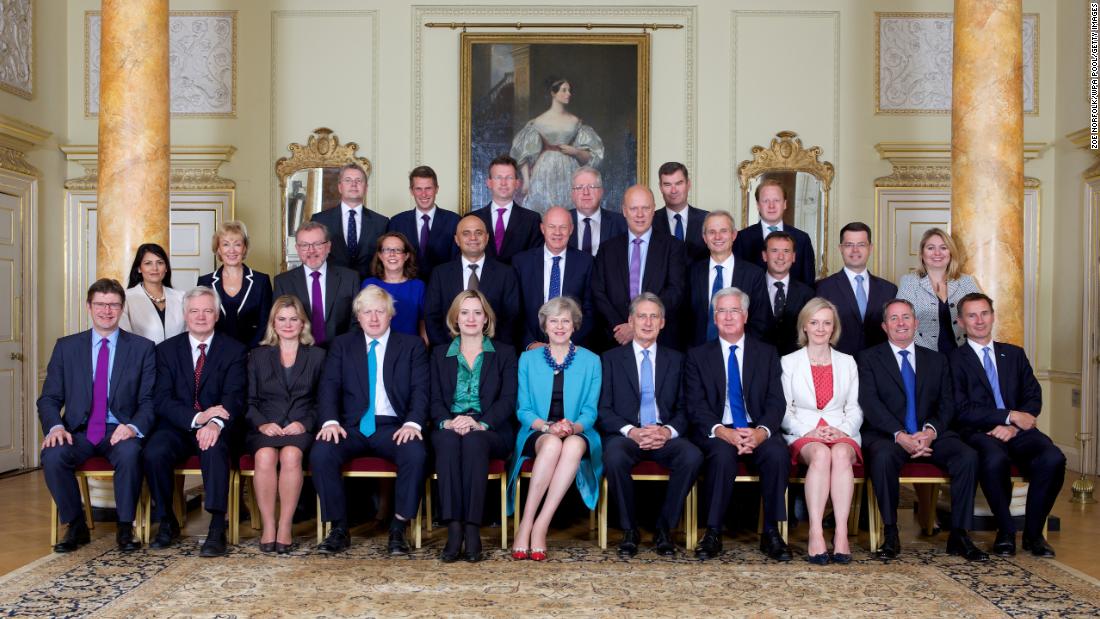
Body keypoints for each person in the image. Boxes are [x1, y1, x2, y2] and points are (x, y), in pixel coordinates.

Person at [857, 298, 988, 562]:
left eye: (906, 317)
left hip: (931, 434)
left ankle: (959, 534)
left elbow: (947, 403)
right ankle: (891, 532)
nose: (901, 323)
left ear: (916, 323)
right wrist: (899, 434)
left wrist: (930, 431)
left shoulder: (937, 360)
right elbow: (870, 403)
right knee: (882, 458)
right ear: (884, 326)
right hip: (888, 435)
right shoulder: (868, 358)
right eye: (894, 318)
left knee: (967, 456)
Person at [38, 278, 156, 553]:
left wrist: (133, 426)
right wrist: (55, 427)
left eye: (113, 304)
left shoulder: (142, 348)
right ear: (89, 307)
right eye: (100, 304)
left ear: (122, 308)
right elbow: (49, 398)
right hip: (77, 430)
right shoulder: (67, 347)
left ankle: (125, 528)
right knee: (53, 455)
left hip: (119, 429)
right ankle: (75, 524)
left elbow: (149, 401)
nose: (107, 310)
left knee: (129, 454)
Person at [311, 285, 428, 555]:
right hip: (350, 427)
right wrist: (329, 421)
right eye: (367, 312)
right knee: (321, 453)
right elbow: (328, 387)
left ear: (391, 315)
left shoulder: (411, 346)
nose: (373, 318)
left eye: (379, 312)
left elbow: (422, 390)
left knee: (416, 453)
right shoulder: (342, 345)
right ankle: (339, 528)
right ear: (358, 317)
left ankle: (398, 528)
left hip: (393, 427)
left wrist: (412, 423)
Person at [948, 293, 1065, 558]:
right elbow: (961, 410)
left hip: (1018, 432)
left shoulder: (1013, 354)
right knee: (993, 460)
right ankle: (1006, 531)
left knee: (1053, 458)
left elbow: (1033, 396)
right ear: (961, 322)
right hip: (980, 433)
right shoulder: (954, 360)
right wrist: (1008, 416)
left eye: (984, 313)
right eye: (972, 315)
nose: (979, 321)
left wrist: (1013, 426)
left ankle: (1034, 535)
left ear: (992, 315)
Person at [684, 287, 791, 561]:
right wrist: (723, 432)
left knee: (778, 453)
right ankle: (713, 531)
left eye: (734, 311)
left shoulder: (766, 353)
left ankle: (771, 531)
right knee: (720, 456)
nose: (728, 317)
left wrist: (761, 432)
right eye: (722, 311)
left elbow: (776, 401)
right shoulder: (697, 356)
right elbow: (696, 406)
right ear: (714, 317)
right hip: (718, 429)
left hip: (757, 426)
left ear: (745, 315)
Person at [144, 286, 248, 557]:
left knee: (214, 449)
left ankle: (216, 526)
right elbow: (161, 399)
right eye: (194, 311)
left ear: (216, 315)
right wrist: (197, 418)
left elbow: (235, 397)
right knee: (155, 451)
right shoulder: (166, 351)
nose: (201, 316)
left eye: (207, 311)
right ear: (185, 315)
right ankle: (167, 520)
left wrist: (213, 423)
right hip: (179, 426)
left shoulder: (234, 350)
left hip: (219, 427)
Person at [598, 293, 702, 557]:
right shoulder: (610, 359)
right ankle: (629, 530)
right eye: (641, 316)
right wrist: (632, 431)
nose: (647, 322)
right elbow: (603, 409)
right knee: (614, 455)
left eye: (653, 316)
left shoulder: (678, 360)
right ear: (630, 321)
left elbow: (685, 409)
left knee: (692, 455)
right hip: (627, 434)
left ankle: (664, 530)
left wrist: (666, 431)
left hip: (663, 434)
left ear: (663, 322)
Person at [508, 297, 603, 561]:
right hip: (537, 431)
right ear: (544, 326)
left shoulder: (591, 360)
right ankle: (525, 523)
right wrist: (548, 427)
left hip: (578, 431)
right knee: (551, 444)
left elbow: (590, 411)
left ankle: (540, 526)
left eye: (565, 321)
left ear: (574, 326)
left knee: (570, 444)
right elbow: (523, 409)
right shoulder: (528, 359)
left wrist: (573, 427)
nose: (559, 326)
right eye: (554, 321)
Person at [429, 291, 517, 562]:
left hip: (490, 427)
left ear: (486, 318)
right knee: (446, 440)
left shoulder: (504, 353)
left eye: (477, 312)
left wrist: (480, 423)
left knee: (474, 441)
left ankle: (472, 528)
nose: (471, 318)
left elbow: (508, 399)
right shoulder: (439, 353)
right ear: (455, 317)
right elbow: (432, 398)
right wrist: (447, 422)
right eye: (464, 312)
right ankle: (454, 528)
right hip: (450, 423)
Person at [780, 298, 862, 565]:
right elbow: (784, 410)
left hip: (842, 432)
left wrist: (841, 431)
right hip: (803, 434)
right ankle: (816, 531)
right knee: (821, 455)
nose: (820, 328)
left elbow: (855, 408)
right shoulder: (788, 362)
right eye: (814, 322)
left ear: (834, 327)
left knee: (839, 454)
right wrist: (812, 432)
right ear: (804, 326)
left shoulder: (847, 362)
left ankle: (840, 533)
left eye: (827, 323)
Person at [245, 295, 326, 554]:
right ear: (273, 323)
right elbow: (248, 401)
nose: (288, 324)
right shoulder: (257, 356)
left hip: (300, 427)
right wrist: (262, 425)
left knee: (291, 456)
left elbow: (322, 401)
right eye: (281, 319)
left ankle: (285, 526)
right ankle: (269, 525)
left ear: (303, 324)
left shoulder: (317, 356)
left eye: (294, 319)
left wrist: (304, 424)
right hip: (265, 427)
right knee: (265, 457)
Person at [591, 185, 688, 350]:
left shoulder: (673, 246)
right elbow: (598, 292)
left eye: (645, 208)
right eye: (634, 208)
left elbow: (675, 291)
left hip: (660, 341)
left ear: (653, 210)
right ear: (624, 211)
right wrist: (621, 327)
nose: (640, 214)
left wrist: (639, 325)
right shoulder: (608, 248)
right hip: (616, 340)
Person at [510, 77, 605, 215]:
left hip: (569, 170)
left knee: (569, 211)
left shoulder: (575, 121)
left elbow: (591, 155)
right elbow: (522, 154)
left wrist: (576, 151)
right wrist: (526, 181)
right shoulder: (538, 122)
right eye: (564, 90)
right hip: (544, 171)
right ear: (553, 93)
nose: (568, 94)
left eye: (569, 90)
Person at [425, 214, 519, 347]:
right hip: (448, 355)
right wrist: (449, 351)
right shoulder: (440, 274)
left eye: (478, 233)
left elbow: (511, 319)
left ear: (486, 238)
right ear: (457, 240)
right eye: (466, 233)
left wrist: (492, 352)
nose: (473, 238)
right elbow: (432, 318)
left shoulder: (506, 273)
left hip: (494, 356)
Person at [512, 206, 594, 349]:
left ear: (571, 229)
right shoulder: (521, 262)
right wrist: (530, 343)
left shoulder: (586, 262)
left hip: (573, 349)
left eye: (563, 227)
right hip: (532, 350)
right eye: (552, 227)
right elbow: (515, 310)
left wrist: (565, 343)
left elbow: (590, 310)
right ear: (543, 229)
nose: (557, 232)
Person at [813, 222, 898, 356]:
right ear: (840, 248)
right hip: (839, 365)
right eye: (849, 245)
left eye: (861, 245)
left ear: (870, 248)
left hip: (880, 365)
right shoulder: (823, 288)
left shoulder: (889, 290)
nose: (855, 250)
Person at [686, 210, 768, 347]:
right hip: (698, 356)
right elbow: (684, 319)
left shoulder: (753, 274)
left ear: (734, 235)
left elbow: (760, 321)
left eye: (723, 231)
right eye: (711, 232)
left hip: (740, 354)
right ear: (704, 237)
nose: (718, 237)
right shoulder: (692, 272)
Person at [273, 221, 360, 346]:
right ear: (297, 249)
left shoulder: (350, 278)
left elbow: (356, 320)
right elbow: (279, 324)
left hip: (341, 352)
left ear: (328, 246)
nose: (311, 250)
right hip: (300, 355)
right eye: (304, 245)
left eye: (317, 244)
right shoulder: (283, 282)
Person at [897, 227, 981, 353]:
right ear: (922, 253)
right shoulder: (909, 282)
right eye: (930, 248)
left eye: (943, 248)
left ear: (951, 252)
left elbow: (981, 317)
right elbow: (901, 321)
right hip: (924, 356)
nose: (937, 253)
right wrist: (924, 354)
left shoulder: (967, 281)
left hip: (964, 355)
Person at [197, 221, 273, 349]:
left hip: (253, 354)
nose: (231, 250)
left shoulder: (261, 281)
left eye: (237, 244)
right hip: (215, 354)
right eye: (225, 244)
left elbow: (266, 323)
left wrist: (250, 352)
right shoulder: (205, 282)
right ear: (218, 249)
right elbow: (201, 321)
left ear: (244, 249)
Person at [310, 163, 389, 281]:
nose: (353, 184)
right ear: (340, 187)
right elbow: (312, 256)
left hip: (369, 289)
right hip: (331, 287)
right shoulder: (320, 220)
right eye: (348, 180)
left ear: (366, 188)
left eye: (358, 180)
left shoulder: (381, 222)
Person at [732, 179, 816, 285]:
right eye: (766, 201)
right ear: (758, 205)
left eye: (776, 200)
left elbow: (808, 284)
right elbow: (738, 280)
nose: (771, 206)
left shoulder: (802, 239)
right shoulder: (741, 238)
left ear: (785, 204)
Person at [386, 165, 460, 283]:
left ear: (436, 189)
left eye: (428, 188)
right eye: (418, 189)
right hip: (407, 288)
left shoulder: (454, 221)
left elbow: (456, 263)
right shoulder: (396, 222)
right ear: (411, 191)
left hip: (443, 287)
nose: (423, 194)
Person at [475, 155, 544, 264]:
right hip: (481, 280)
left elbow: (535, 261)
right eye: (498, 177)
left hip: (518, 280)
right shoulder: (473, 218)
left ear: (517, 183)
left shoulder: (532, 220)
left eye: (509, 177)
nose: (503, 183)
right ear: (489, 183)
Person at [361, 232, 427, 343]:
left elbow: (423, 323)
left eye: (397, 250)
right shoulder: (368, 284)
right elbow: (362, 321)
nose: (392, 254)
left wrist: (423, 348)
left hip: (410, 348)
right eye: (387, 250)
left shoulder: (418, 286)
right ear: (380, 255)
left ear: (406, 256)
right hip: (376, 347)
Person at [119, 243, 185, 344]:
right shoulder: (126, 298)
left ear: (166, 268)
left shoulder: (182, 297)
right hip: (142, 358)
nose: (155, 268)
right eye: (148, 263)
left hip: (177, 358)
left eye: (160, 262)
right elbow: (125, 339)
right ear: (139, 268)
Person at [761, 231, 815, 355]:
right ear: (764, 255)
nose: (781, 257)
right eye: (774, 251)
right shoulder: (751, 289)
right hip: (758, 361)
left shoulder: (807, 294)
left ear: (794, 256)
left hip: (795, 364)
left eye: (786, 251)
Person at [653, 162, 709, 262]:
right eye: (667, 184)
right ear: (660, 187)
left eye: (679, 183)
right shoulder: (650, 221)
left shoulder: (707, 219)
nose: (674, 190)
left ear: (688, 184)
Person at [567, 166, 627, 257]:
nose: (586, 192)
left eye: (591, 187)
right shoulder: (562, 222)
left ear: (601, 192)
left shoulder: (620, 223)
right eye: (579, 187)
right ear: (572, 194)